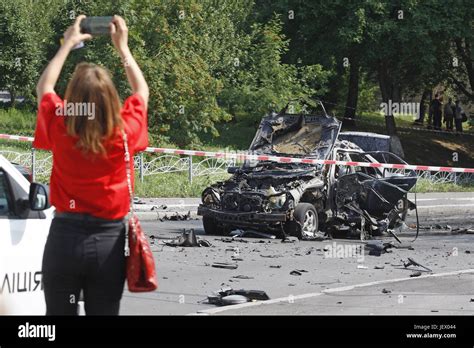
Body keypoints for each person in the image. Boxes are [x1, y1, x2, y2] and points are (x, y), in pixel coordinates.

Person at [34, 15, 149, 315]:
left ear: (72, 98)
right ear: (111, 98)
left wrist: (67, 45)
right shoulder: (124, 131)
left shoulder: (61, 124)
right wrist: (122, 48)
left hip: (63, 240)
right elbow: (142, 94)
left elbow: (44, 88)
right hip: (107, 244)